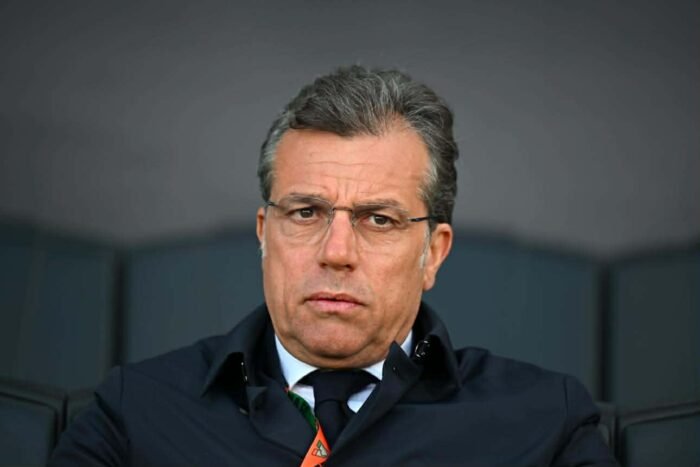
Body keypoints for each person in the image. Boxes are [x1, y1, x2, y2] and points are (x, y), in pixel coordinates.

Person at [50, 65, 618, 466]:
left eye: (379, 219)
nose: (336, 252)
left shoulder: (544, 423)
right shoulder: (138, 410)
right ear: (264, 234)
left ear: (434, 253)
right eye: (306, 212)